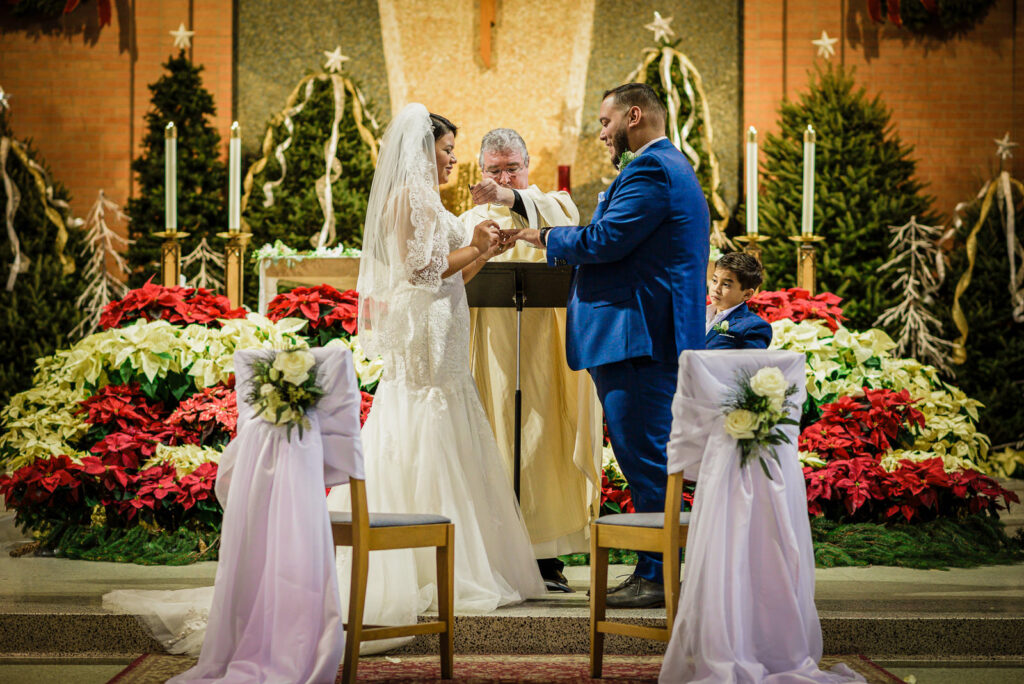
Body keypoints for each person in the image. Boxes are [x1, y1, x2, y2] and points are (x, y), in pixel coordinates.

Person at [326, 104, 545, 638]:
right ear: (425, 150)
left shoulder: (426, 198)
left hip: (441, 323)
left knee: (447, 419)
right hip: (425, 332)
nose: (452, 161)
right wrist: (472, 242)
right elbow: (421, 271)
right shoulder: (414, 196)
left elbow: (453, 277)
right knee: (427, 421)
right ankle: (430, 567)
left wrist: (484, 252)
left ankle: (453, 559)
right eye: (447, 150)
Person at [516, 83, 710, 608]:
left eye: (605, 122)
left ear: (634, 115)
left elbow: (605, 240)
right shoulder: (665, 166)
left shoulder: (651, 169)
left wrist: (545, 238)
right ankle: (655, 568)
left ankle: (655, 574)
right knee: (644, 454)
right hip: (642, 335)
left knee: (645, 456)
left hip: (638, 338)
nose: (601, 133)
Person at [460, 128, 603, 592]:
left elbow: (568, 224)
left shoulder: (551, 201)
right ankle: (502, 554)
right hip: (492, 345)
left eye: (512, 169)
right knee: (497, 435)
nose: (503, 177)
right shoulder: (471, 218)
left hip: (544, 343)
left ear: (527, 167)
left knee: (542, 440)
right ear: (480, 172)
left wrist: (514, 196)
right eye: (494, 170)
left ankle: (546, 558)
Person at [705, 252, 773, 350]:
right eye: (715, 280)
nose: (716, 289)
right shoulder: (697, 315)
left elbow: (747, 364)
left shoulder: (754, 327)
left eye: (726, 285)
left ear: (747, 294)